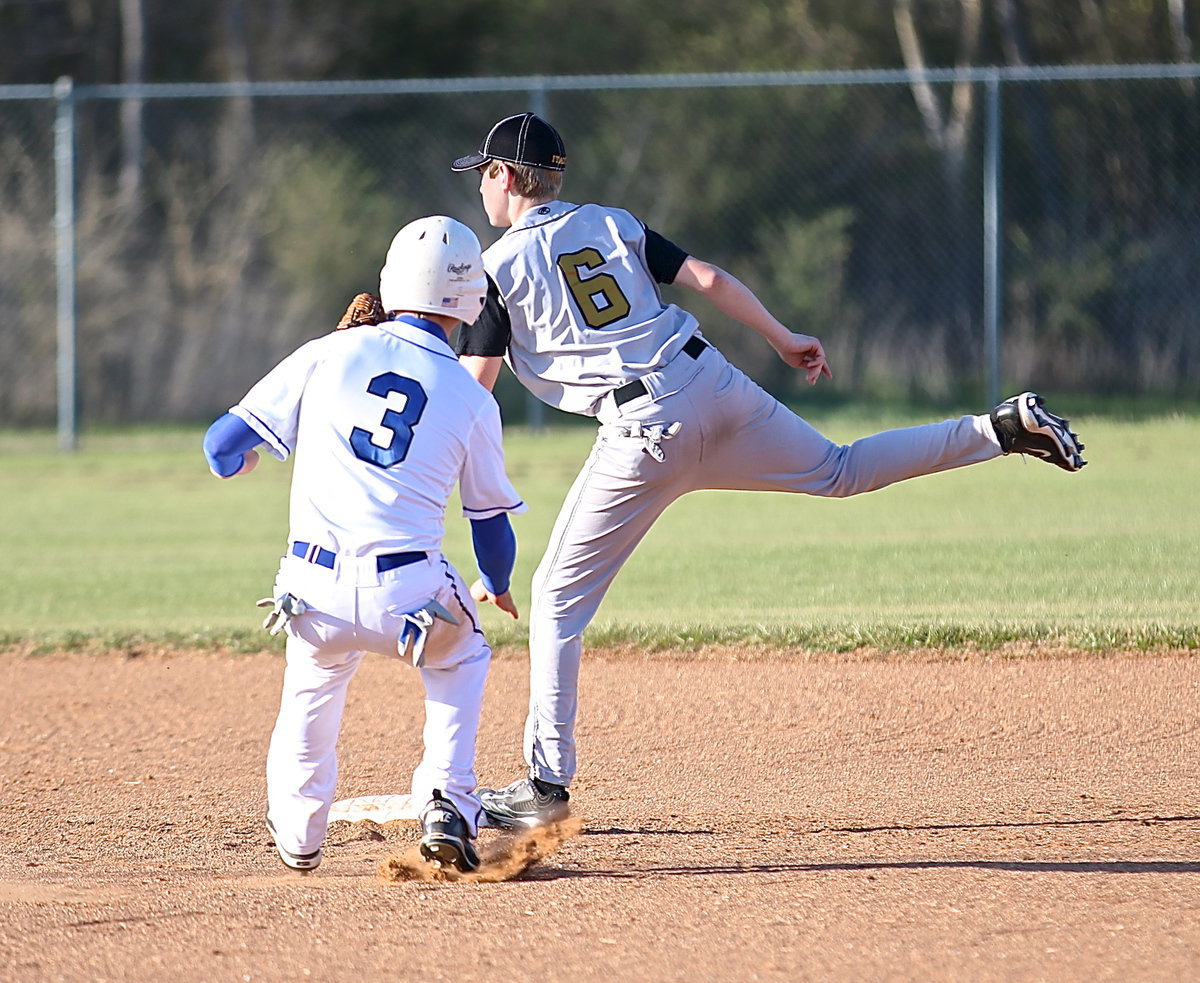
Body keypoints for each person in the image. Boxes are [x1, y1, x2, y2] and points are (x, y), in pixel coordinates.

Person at [449, 112, 1087, 829]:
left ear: (505, 177)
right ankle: (997, 429)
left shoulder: (494, 270)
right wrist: (783, 337)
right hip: (713, 383)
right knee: (841, 470)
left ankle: (543, 786)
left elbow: (474, 390)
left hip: (641, 429)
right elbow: (708, 277)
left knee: (556, 599)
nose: (482, 189)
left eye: (484, 175)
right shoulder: (611, 220)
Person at [202, 215, 526, 874]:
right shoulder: (470, 396)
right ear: (469, 301)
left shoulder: (327, 351)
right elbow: (491, 522)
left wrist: (241, 464)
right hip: (407, 595)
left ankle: (298, 828)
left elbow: (219, 446)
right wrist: (496, 579)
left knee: (314, 680)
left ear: (390, 282)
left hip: (309, 590)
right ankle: (446, 802)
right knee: (462, 656)